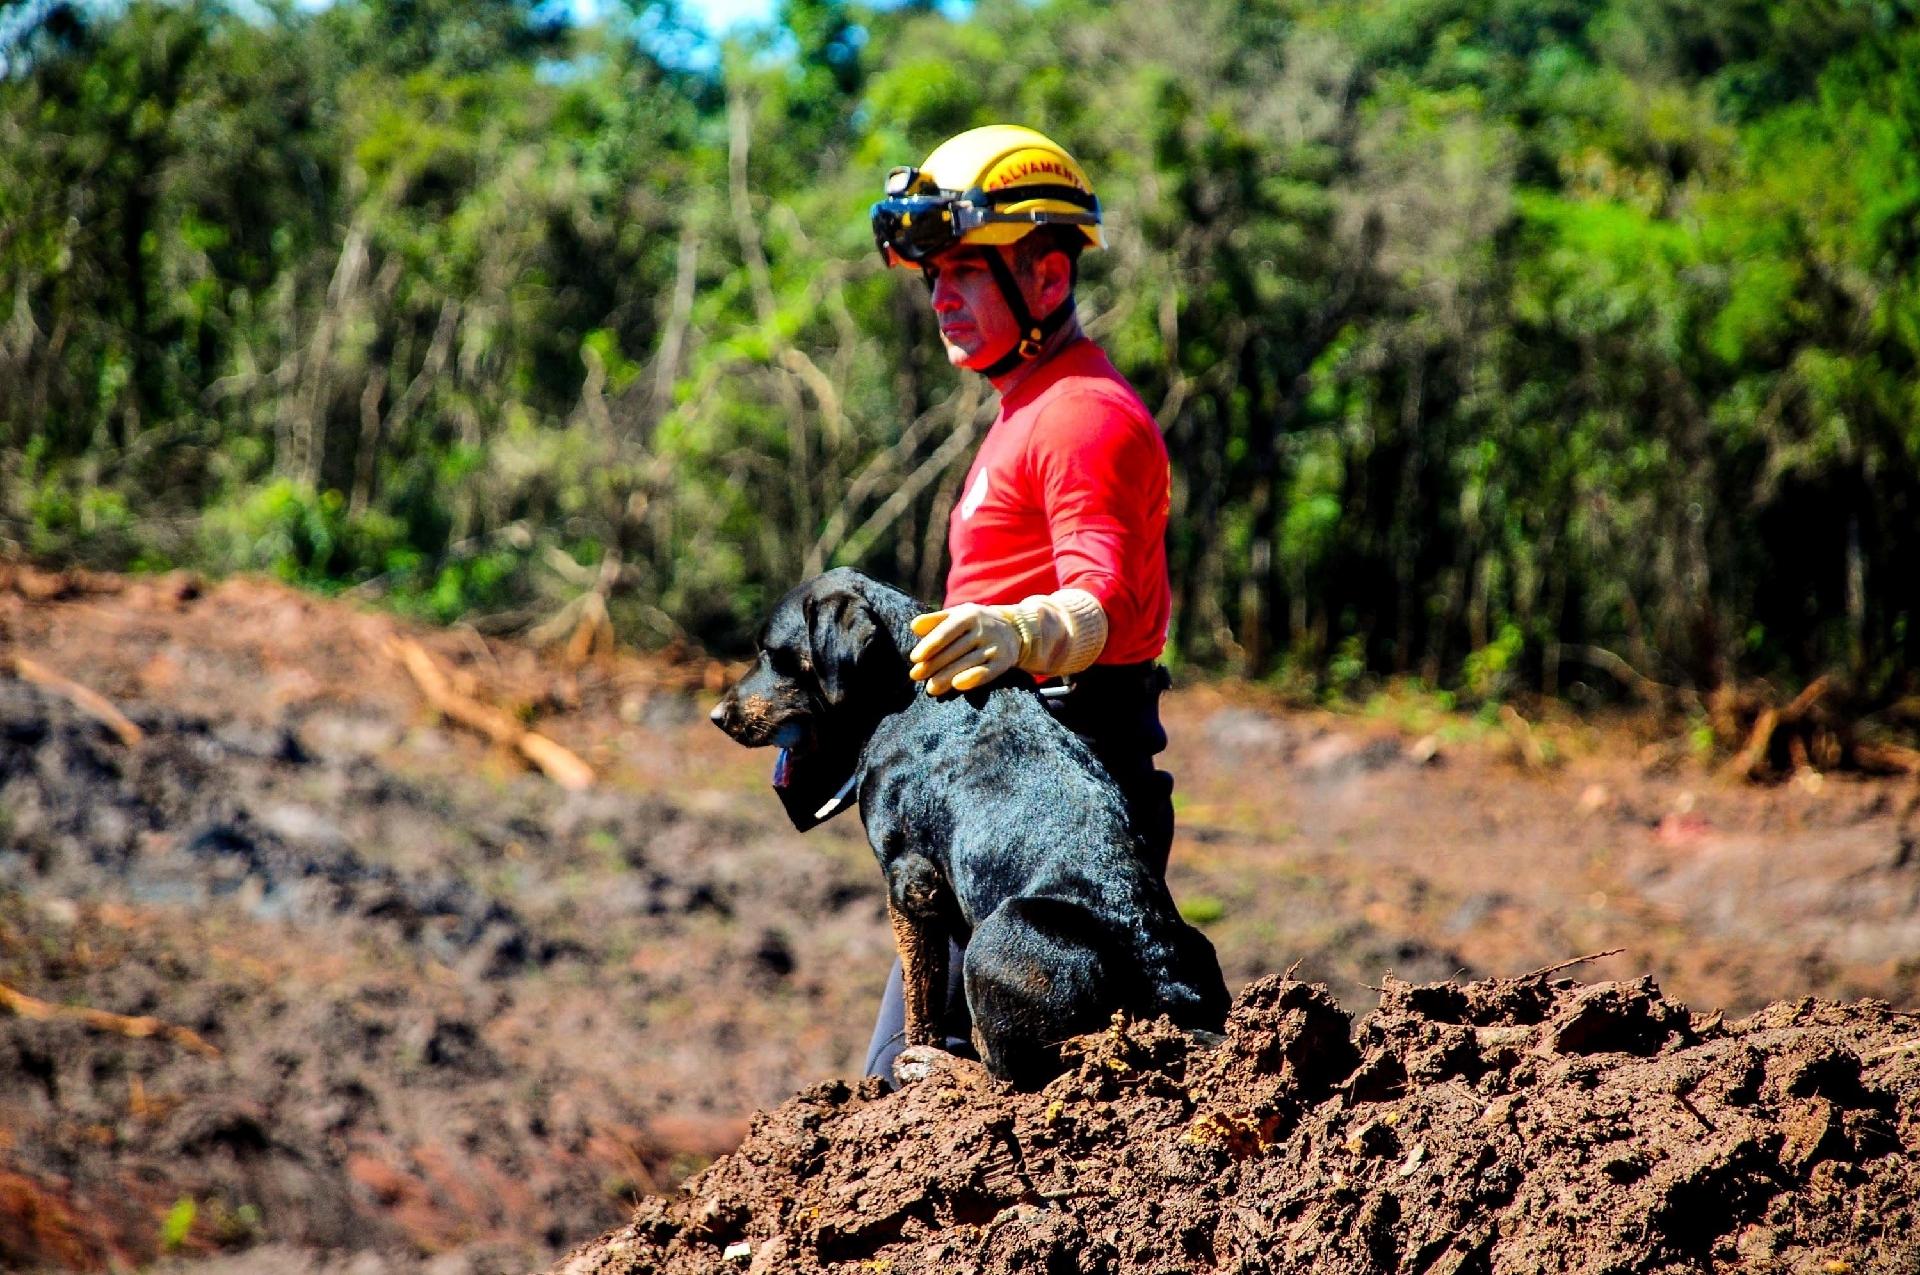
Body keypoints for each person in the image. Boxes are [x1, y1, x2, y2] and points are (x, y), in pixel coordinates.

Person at [862, 124, 1177, 1083]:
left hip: (1052, 804)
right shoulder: (1030, 405)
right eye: (933, 275)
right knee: (912, 1086)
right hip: (1007, 800)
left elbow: (1102, 598)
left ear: (1047, 277)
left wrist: (1019, 629)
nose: (941, 297)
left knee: (926, 1090)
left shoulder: (1082, 415)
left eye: (965, 269)